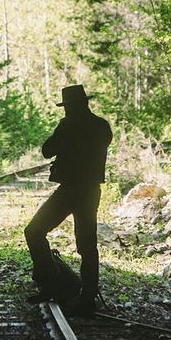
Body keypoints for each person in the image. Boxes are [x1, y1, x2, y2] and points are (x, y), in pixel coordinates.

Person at [24, 84, 113, 316]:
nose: (65, 110)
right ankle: (87, 298)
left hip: (70, 190)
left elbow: (47, 150)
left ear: (72, 106)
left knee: (34, 231)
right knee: (87, 247)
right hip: (90, 191)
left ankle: (52, 283)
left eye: (67, 107)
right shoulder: (102, 126)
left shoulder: (67, 125)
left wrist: (66, 129)